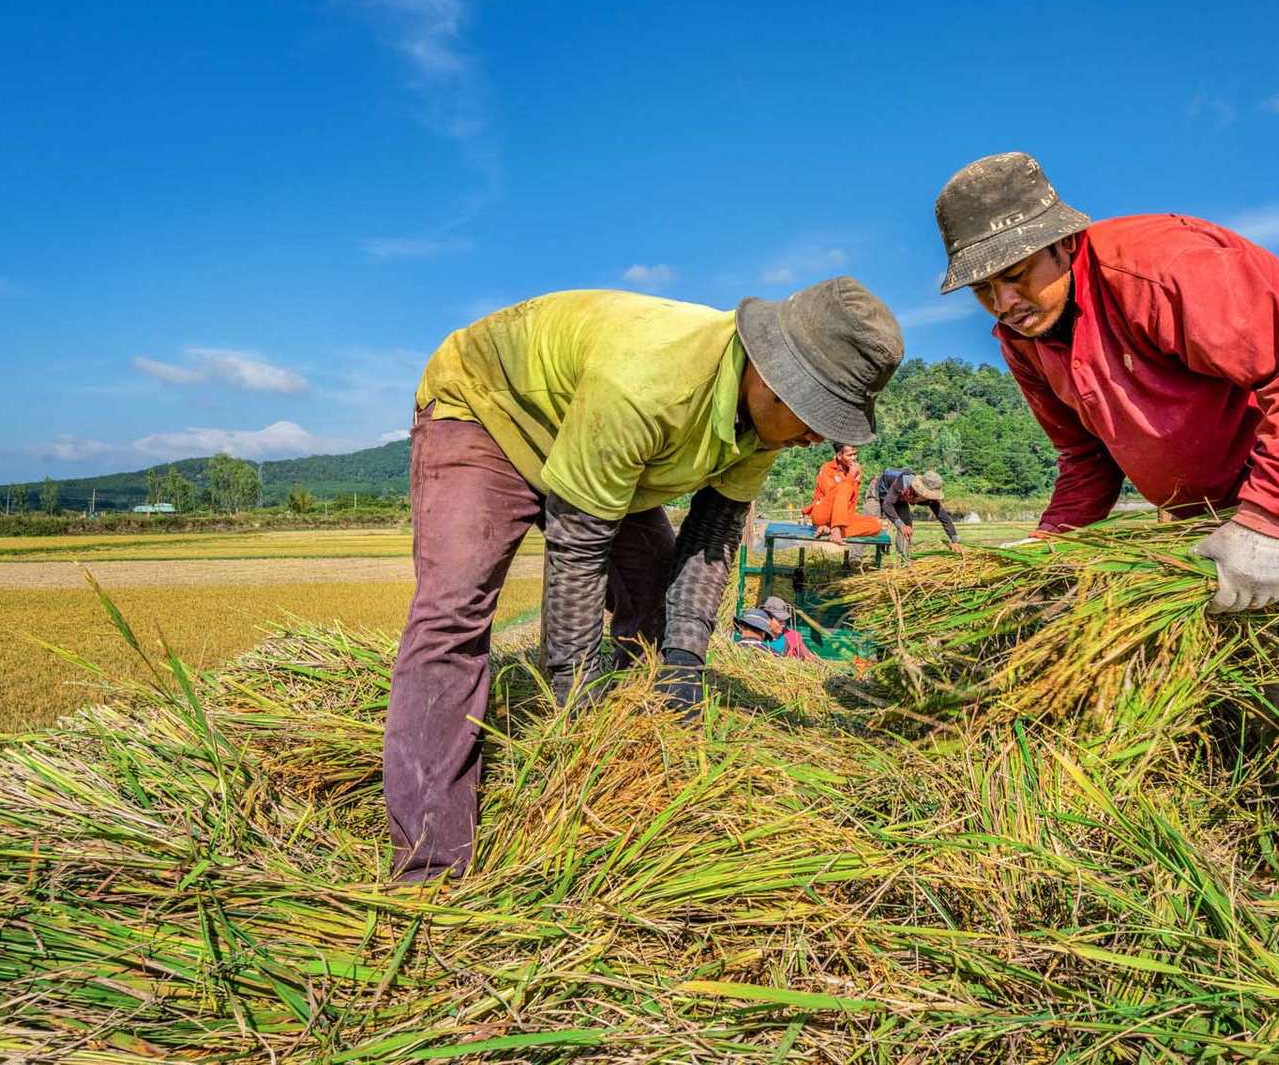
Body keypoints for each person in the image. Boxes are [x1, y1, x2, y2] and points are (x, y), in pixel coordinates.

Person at [932, 152, 1279, 893]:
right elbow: (1087, 465)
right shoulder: (1023, 338)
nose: (1002, 299)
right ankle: (1253, 775)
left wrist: (1270, 515)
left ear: (1064, 242)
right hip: (1217, 474)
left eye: (1017, 272)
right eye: (983, 287)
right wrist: (1045, 554)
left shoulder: (1160, 271)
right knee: (1227, 633)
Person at [386, 278, 902, 880]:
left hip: (604, 442)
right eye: (813, 413)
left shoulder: (766, 422)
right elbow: (577, 547)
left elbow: (712, 536)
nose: (817, 435)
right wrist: (573, 689)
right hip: (490, 411)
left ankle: (635, 763)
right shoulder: (649, 382)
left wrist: (684, 661)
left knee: (660, 603)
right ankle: (431, 863)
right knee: (454, 612)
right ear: (769, 371)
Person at [867, 467, 964, 560]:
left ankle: (903, 558)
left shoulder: (930, 499)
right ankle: (855, 559)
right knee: (868, 523)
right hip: (879, 489)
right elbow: (887, 504)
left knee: (907, 527)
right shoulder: (902, 482)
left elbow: (943, 517)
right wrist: (900, 524)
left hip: (899, 498)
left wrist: (954, 540)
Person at [803, 443, 884, 545]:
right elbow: (834, 495)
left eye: (855, 454)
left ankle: (829, 531)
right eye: (849, 455)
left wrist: (856, 480)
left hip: (842, 516)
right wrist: (851, 477)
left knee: (876, 524)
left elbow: (852, 502)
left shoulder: (852, 470)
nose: (854, 458)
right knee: (843, 487)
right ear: (839, 456)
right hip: (823, 514)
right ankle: (836, 530)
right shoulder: (827, 468)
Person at [732, 596, 815, 659]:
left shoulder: (792, 636)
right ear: (767, 618)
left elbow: (809, 659)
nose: (783, 624)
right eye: (779, 620)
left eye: (784, 620)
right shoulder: (752, 637)